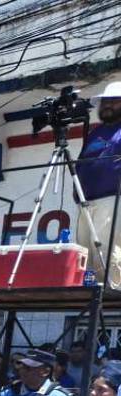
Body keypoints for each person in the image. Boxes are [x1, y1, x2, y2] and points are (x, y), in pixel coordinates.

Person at [77, 81, 121, 288]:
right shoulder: (95, 133)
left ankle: (112, 294)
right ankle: (87, 295)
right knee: (83, 253)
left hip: (112, 199)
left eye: (113, 101)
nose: (107, 105)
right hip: (85, 202)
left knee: (107, 251)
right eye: (105, 102)